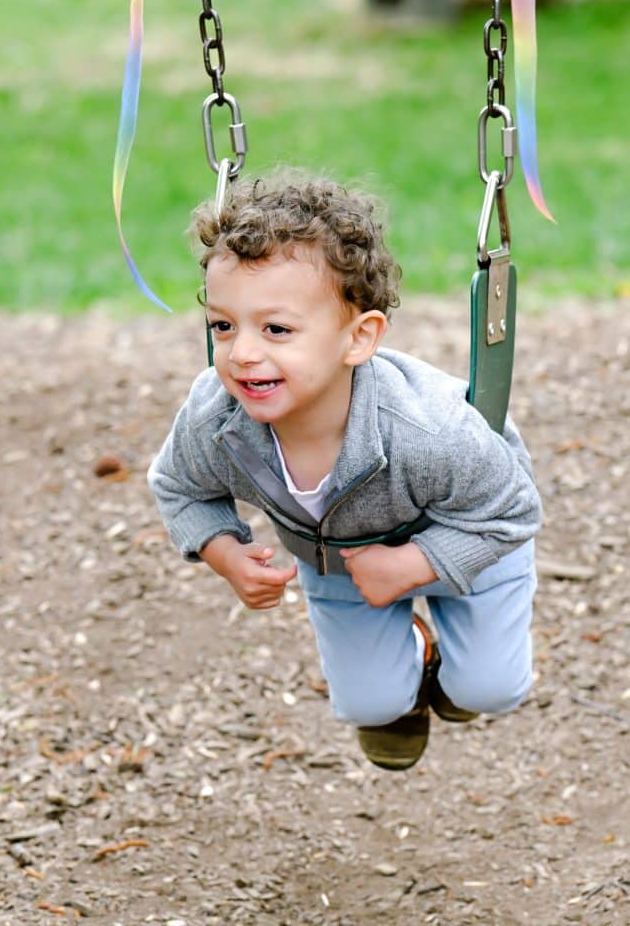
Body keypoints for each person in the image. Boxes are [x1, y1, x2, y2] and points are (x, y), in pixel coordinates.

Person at [147, 170, 541, 771]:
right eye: (224, 326)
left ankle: (451, 665)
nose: (243, 352)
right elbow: (179, 486)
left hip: (471, 537)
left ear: (358, 339)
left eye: (276, 329)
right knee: (370, 705)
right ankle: (413, 652)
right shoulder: (218, 419)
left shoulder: (430, 433)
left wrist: (414, 564)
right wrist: (223, 552)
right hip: (343, 564)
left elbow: (511, 509)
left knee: (488, 691)